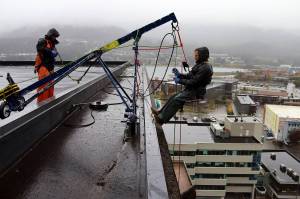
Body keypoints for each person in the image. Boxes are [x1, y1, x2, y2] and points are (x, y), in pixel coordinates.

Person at [152, 47, 213, 125]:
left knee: (176, 100)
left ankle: (161, 119)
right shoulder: (200, 65)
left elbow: (194, 82)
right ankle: (159, 113)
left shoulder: (205, 68)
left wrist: (180, 81)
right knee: (173, 97)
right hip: (190, 90)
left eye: (197, 55)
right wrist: (179, 75)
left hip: (196, 92)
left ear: (202, 56)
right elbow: (189, 75)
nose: (195, 57)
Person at [34, 28, 60, 103]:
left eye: (56, 37)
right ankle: (41, 105)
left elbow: (54, 53)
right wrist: (51, 52)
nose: (55, 38)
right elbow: (40, 48)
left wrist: (53, 52)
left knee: (51, 87)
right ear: (50, 35)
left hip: (50, 68)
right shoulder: (43, 41)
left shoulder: (52, 45)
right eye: (54, 36)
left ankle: (50, 102)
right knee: (43, 87)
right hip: (43, 68)